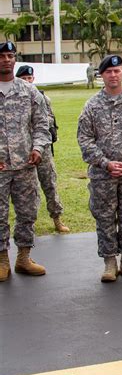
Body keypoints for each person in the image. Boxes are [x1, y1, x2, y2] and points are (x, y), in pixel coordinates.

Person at [77, 55, 122, 282]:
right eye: (109, 72)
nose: (113, 75)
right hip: (101, 175)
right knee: (104, 217)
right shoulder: (92, 105)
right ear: (101, 75)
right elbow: (84, 138)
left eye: (117, 71)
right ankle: (109, 262)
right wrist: (104, 162)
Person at [0, 42, 50, 280]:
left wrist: (38, 148)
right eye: (2, 56)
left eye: (10, 56)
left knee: (27, 213)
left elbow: (42, 125)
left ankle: (23, 258)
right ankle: (2, 260)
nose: (6, 60)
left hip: (25, 166)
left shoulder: (29, 91)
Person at [16, 65, 70, 234]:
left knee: (50, 184)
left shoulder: (42, 98)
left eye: (29, 78)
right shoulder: (14, 98)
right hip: (23, 150)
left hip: (44, 150)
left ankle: (57, 218)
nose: (27, 81)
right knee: (29, 189)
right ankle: (29, 222)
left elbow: (50, 122)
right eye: (24, 78)